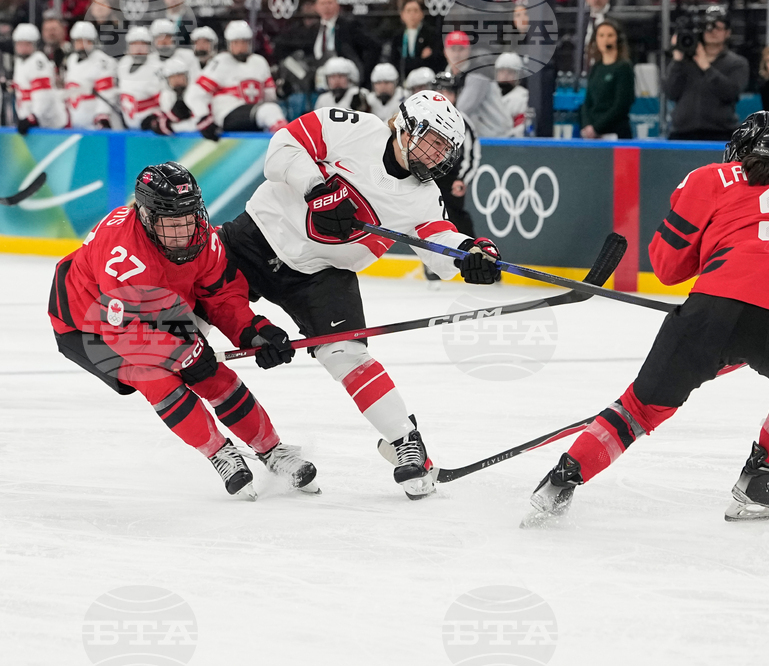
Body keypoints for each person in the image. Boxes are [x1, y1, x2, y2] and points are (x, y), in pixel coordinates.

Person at [523, 111, 769, 527]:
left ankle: (562, 480)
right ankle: (759, 478)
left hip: (712, 309)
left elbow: (668, 267)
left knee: (640, 407)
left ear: (738, 146)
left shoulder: (709, 177)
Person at [216, 91, 502, 500]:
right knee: (190, 319)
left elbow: (438, 242)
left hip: (321, 273)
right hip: (257, 237)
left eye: (445, 149)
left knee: (348, 354)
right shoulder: (352, 128)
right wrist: (316, 187)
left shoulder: (424, 195)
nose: (437, 155)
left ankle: (405, 441)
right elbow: (281, 148)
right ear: (403, 128)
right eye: (432, 140)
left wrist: (469, 256)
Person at [47, 162, 313, 500]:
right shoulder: (121, 253)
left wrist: (253, 331)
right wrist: (182, 354)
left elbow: (221, 295)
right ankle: (220, 454)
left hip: (155, 304)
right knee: (157, 378)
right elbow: (124, 331)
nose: (185, 230)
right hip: (88, 322)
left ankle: (273, 451)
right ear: (145, 216)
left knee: (211, 373)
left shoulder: (203, 237)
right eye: (173, 222)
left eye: (189, 217)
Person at [186, 20, 287, 141]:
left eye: (244, 42)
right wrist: (203, 118)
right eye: (236, 43)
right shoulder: (220, 62)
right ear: (229, 44)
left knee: (271, 112)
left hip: (254, 113)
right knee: (269, 111)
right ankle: (289, 145)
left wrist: (281, 92)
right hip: (227, 113)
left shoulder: (260, 62)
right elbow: (195, 93)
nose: (240, 47)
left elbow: (269, 97)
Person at [664, 5, 749, 141]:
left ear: (728, 32)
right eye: (707, 26)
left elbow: (730, 93)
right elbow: (670, 92)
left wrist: (706, 67)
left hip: (720, 133)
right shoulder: (685, 62)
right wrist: (678, 59)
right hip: (682, 132)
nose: (712, 31)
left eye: (718, 27)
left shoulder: (737, 63)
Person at [433, 71, 480, 238]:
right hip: (428, 179)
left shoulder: (463, 122)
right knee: (428, 222)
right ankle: (431, 263)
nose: (444, 96)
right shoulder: (422, 118)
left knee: (456, 220)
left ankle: (470, 255)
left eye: (448, 92)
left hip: (451, 182)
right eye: (440, 92)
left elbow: (471, 156)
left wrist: (462, 179)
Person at [444, 30, 512, 138]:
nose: (457, 54)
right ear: (445, 52)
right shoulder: (447, 75)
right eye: (453, 49)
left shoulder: (478, 74)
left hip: (498, 136)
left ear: (468, 51)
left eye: (461, 49)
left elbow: (462, 110)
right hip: (477, 137)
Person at [579, 19, 634, 140]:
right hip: (593, 135)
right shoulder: (596, 67)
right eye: (601, 35)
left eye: (610, 35)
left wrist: (597, 128)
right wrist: (587, 126)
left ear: (617, 39)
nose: (605, 39)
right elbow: (587, 101)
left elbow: (621, 105)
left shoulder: (623, 67)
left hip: (616, 133)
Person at [12, 22, 68, 134]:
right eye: (20, 44)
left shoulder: (38, 61)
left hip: (50, 125)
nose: (22, 47)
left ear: (34, 44)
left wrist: (33, 116)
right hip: (32, 123)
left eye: (26, 44)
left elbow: (43, 95)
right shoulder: (19, 62)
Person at [308, 0, 378, 87]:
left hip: (346, 82)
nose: (326, 7)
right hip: (319, 81)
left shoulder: (350, 25)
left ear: (338, 5)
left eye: (330, 3)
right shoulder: (312, 29)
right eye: (322, 3)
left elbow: (372, 47)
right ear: (316, 7)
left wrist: (363, 74)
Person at [64, 21, 116, 130]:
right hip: (75, 121)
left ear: (93, 42)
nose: (82, 45)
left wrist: (102, 115)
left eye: (86, 41)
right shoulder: (71, 60)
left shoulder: (103, 61)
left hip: (95, 124)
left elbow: (106, 93)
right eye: (78, 41)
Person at [118, 26, 169, 134]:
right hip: (129, 128)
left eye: (143, 44)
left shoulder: (158, 68)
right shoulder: (123, 63)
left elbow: (166, 99)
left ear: (150, 46)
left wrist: (156, 119)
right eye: (134, 44)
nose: (139, 49)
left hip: (151, 130)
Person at [388, 0, 444, 79]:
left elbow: (435, 60)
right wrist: (420, 59)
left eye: (415, 10)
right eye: (408, 11)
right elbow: (395, 62)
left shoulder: (431, 35)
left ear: (422, 14)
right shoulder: (398, 37)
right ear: (402, 15)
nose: (412, 14)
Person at [151, 18, 199, 82]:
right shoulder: (149, 60)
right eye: (160, 38)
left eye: (167, 37)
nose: (164, 41)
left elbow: (196, 80)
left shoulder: (188, 56)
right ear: (154, 41)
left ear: (174, 39)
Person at [160, 56, 197, 133]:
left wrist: (173, 127)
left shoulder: (196, 93)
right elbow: (167, 122)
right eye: (172, 77)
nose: (176, 80)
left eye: (179, 76)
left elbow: (198, 124)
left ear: (187, 76)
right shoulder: (166, 96)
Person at [495, 52, 528, 137]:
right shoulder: (490, 94)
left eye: (510, 72)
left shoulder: (523, 97)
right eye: (502, 71)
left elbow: (520, 129)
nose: (505, 76)